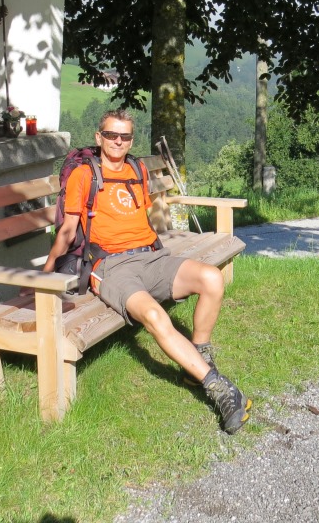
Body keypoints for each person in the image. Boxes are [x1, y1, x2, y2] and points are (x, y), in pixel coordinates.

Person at [44, 109, 251, 433]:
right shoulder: (84, 175)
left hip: (152, 256)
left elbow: (145, 215)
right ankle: (219, 388)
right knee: (155, 315)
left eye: (125, 136)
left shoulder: (137, 169)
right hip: (111, 266)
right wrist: (45, 273)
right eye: (111, 135)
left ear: (131, 140)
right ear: (99, 137)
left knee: (211, 278)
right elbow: (69, 230)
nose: (118, 141)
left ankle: (198, 360)